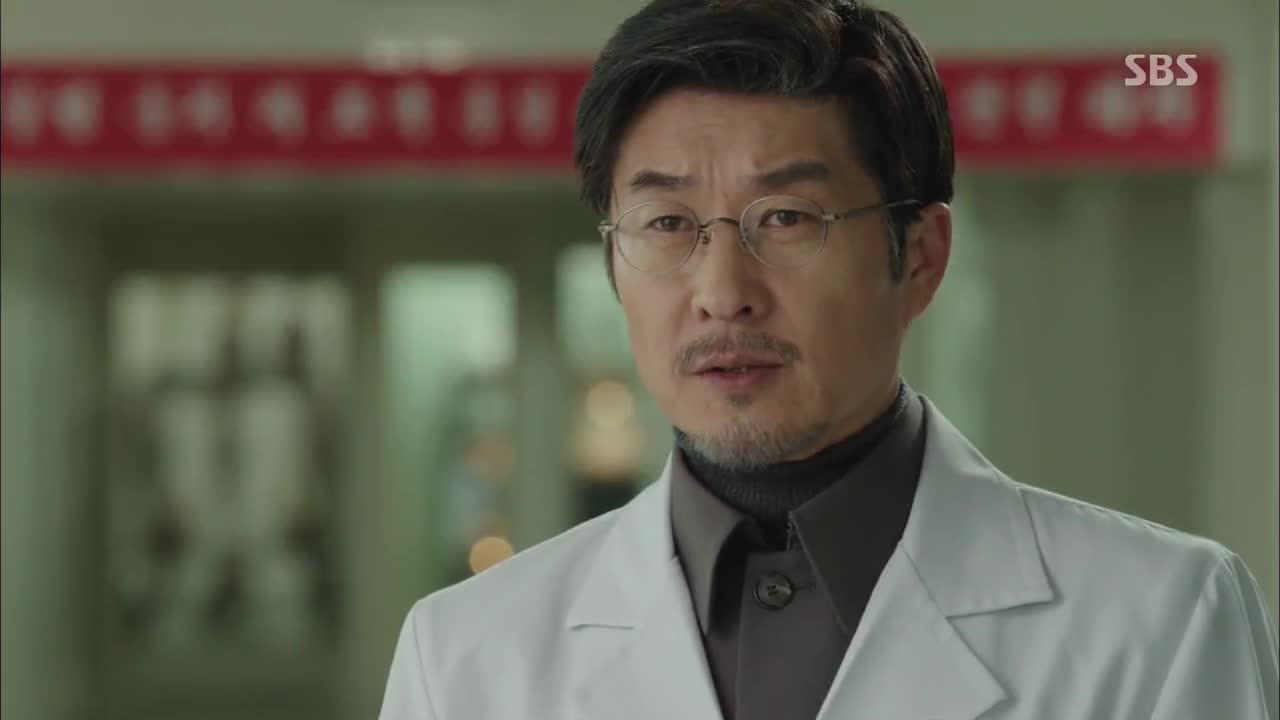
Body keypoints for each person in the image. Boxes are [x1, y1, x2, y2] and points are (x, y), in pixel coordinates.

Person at [380, 1, 1280, 717]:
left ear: (919, 256)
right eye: (667, 224)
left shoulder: (1158, 621)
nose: (722, 291)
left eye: (787, 219)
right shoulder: (467, 656)